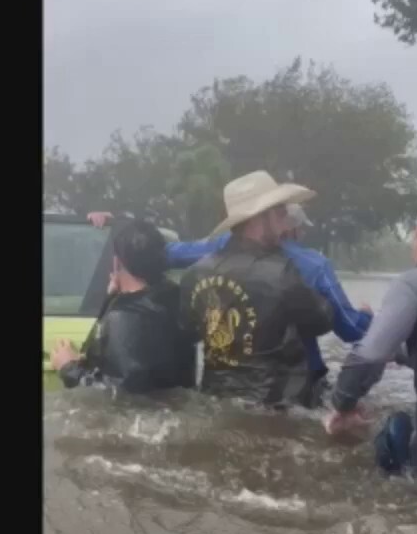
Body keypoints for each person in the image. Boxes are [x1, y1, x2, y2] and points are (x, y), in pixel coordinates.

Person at [86, 204, 374, 401]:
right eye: (280, 212)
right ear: (272, 220)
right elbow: (346, 328)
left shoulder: (207, 258)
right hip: (287, 392)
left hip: (218, 391)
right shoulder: (310, 265)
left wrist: (120, 229)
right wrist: (369, 319)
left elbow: (156, 254)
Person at [178, 170, 334, 408]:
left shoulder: (194, 274)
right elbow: (321, 321)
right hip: (274, 403)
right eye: (281, 213)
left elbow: (189, 331)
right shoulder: (282, 271)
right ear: (259, 218)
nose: (285, 223)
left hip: (215, 398)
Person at [325, 200, 417, 483]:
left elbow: (369, 355)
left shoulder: (416, 282)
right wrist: (396, 346)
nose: (412, 246)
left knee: (395, 431)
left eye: (416, 236)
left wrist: (342, 405)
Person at [49, 220, 196, 393]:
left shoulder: (124, 316)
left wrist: (69, 368)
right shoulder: (178, 296)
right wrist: (112, 297)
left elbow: (119, 395)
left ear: (116, 263)